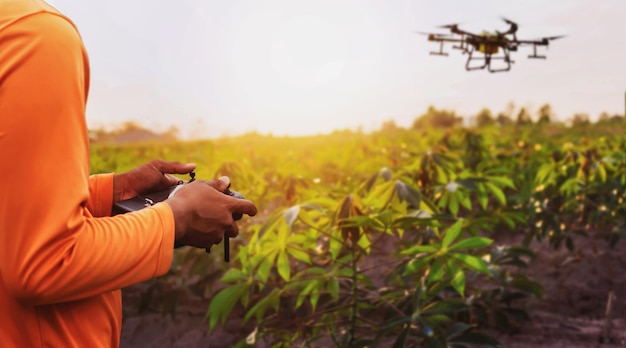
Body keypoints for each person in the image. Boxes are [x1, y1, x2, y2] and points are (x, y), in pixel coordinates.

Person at [0, 0, 258, 346]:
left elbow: (11, 208)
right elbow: (45, 263)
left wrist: (111, 192)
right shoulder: (33, 34)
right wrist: (176, 219)